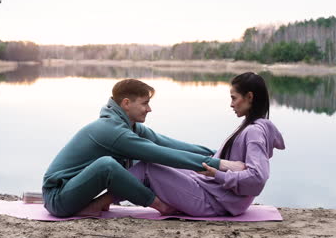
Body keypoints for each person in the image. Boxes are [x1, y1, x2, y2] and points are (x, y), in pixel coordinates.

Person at [42, 79, 245, 217]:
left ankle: (95, 206)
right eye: (145, 103)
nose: (149, 109)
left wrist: (218, 154)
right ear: (126, 103)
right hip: (59, 198)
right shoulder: (112, 131)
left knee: (117, 164)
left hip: (76, 191)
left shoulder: (130, 127)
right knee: (107, 165)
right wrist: (219, 165)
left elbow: (169, 144)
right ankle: (160, 206)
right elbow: (161, 155)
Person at [125, 72, 285, 216]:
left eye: (234, 98)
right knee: (160, 164)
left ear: (249, 97)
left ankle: (103, 202)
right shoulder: (251, 127)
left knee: (148, 168)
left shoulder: (254, 132)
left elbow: (257, 178)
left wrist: (217, 174)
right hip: (214, 193)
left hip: (214, 202)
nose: (231, 104)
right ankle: (109, 198)